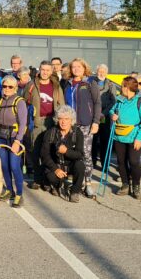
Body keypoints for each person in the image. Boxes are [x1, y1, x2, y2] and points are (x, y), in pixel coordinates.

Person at [62, 58, 101, 197]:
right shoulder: (68, 84)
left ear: (84, 68)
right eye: (74, 67)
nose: (76, 69)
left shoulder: (90, 83)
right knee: (71, 153)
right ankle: (75, 181)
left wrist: (96, 121)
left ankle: (88, 183)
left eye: (79, 67)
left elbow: (97, 103)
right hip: (70, 125)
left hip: (85, 124)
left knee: (86, 154)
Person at [24, 61, 65, 191]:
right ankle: (37, 179)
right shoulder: (31, 85)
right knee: (35, 150)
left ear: (51, 71)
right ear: (39, 70)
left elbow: (62, 105)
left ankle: (48, 181)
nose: (45, 72)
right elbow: (24, 102)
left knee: (50, 152)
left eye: (48, 70)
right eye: (43, 69)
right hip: (36, 122)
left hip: (51, 122)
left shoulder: (56, 86)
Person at [109, 76, 141, 200]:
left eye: (122, 85)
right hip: (119, 135)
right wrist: (113, 115)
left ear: (127, 87)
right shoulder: (119, 100)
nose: (121, 88)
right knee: (121, 162)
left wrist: (139, 138)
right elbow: (112, 111)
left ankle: (136, 187)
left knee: (134, 162)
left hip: (135, 136)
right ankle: (125, 185)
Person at [0, 76, 28, 207]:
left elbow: (23, 123)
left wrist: (17, 141)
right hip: (0, 137)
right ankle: (9, 190)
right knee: (4, 166)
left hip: (13, 138)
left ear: (15, 88)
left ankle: (19, 194)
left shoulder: (20, 102)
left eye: (10, 87)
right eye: (4, 86)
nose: (6, 89)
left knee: (14, 166)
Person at [40, 106, 85, 203]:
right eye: (60, 119)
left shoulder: (77, 133)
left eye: (66, 119)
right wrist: (56, 169)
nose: (63, 122)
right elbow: (44, 155)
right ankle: (59, 185)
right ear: (57, 119)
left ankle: (74, 192)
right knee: (50, 175)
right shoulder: (50, 133)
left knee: (80, 166)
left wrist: (66, 151)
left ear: (71, 120)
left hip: (70, 165)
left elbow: (80, 154)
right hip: (56, 165)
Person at [90, 64, 119, 167]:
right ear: (96, 71)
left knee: (104, 141)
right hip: (92, 116)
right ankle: (92, 162)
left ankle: (105, 164)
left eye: (103, 71)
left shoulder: (111, 85)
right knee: (92, 141)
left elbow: (113, 101)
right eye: (99, 71)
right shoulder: (90, 82)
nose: (101, 73)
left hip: (105, 117)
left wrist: (104, 113)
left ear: (106, 73)